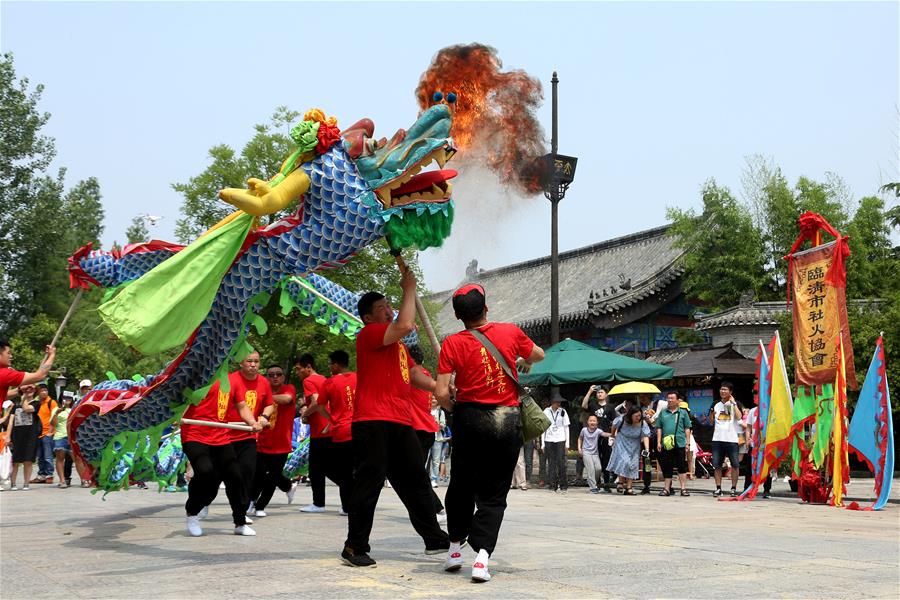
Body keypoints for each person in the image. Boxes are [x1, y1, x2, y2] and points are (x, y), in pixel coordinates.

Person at [341, 266, 449, 568]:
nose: (389, 311)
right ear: (368, 317)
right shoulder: (369, 335)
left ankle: (434, 538)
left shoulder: (398, 348)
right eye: (382, 308)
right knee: (369, 483)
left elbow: (414, 373)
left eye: (389, 306)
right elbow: (405, 324)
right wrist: (409, 288)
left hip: (401, 422)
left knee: (414, 480)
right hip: (373, 421)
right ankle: (354, 546)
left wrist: (440, 388)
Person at [435, 282, 544, 583]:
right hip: (506, 419)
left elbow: (442, 392)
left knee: (460, 484)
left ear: (459, 317)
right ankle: (482, 559)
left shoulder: (452, 343)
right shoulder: (510, 332)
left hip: (470, 418)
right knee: (495, 492)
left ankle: (454, 549)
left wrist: (454, 406)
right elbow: (539, 355)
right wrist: (522, 360)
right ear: (486, 308)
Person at [180, 373, 265, 537]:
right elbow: (177, 401)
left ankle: (240, 522)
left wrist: (253, 422)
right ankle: (192, 512)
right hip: (194, 435)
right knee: (205, 471)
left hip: (220, 437)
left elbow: (242, 406)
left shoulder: (231, 381)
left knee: (235, 476)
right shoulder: (193, 376)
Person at [249, 364, 298, 517]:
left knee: (273, 477)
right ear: (266, 377)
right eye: (271, 375)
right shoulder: (262, 391)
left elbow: (286, 399)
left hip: (281, 443)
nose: (275, 377)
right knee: (258, 474)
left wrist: (265, 398)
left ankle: (260, 507)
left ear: (283, 377)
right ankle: (251, 500)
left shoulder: (289, 388)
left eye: (278, 374)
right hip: (262, 441)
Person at [407, 345, 448, 523]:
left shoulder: (412, 375)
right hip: (425, 428)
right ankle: (430, 508)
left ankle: (437, 509)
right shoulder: (426, 374)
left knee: (416, 474)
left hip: (418, 428)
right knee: (415, 472)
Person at [295, 353, 340, 514]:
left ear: (308, 367)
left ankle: (319, 503)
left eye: (299, 369)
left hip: (321, 432)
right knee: (326, 467)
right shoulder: (325, 379)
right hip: (329, 428)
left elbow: (315, 401)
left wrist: (305, 414)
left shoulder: (309, 381)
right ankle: (325, 501)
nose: (297, 372)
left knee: (318, 469)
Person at [320, 349, 356, 514]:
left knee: (344, 471)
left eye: (330, 364)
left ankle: (347, 507)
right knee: (358, 470)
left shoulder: (330, 382)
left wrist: (331, 418)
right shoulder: (359, 378)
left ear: (335, 364)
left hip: (341, 431)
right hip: (360, 430)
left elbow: (320, 406)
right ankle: (359, 503)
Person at [606, 406, 651, 495]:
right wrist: (612, 436)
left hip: (635, 444)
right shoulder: (622, 419)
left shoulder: (643, 423)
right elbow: (614, 426)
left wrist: (647, 449)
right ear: (630, 415)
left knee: (633, 465)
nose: (638, 418)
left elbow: (646, 436)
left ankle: (629, 487)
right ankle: (620, 482)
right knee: (624, 461)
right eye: (636, 416)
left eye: (639, 415)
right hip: (622, 441)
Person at [655, 392, 692, 496]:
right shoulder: (663, 412)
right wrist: (658, 442)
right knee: (667, 466)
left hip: (680, 443)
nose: (670, 400)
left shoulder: (683, 412)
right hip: (666, 443)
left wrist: (688, 443)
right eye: (668, 398)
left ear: (677, 400)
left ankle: (683, 488)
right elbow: (659, 428)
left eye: (672, 398)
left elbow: (687, 428)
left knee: (681, 466)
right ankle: (666, 489)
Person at [710, 381, 743, 497]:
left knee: (735, 464)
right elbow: (711, 420)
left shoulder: (735, 403)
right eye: (721, 389)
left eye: (725, 389)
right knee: (717, 465)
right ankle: (718, 488)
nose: (722, 391)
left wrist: (733, 404)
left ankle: (733, 488)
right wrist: (711, 416)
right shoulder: (715, 404)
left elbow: (739, 418)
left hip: (732, 439)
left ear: (730, 392)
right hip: (717, 439)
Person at [582, 384, 616, 492]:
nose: (599, 394)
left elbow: (614, 422)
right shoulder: (593, 405)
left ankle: (606, 484)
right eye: (598, 392)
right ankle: (595, 483)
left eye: (601, 392)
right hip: (593, 437)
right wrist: (589, 391)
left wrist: (613, 435)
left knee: (606, 459)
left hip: (605, 436)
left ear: (606, 394)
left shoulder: (610, 407)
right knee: (595, 460)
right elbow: (584, 405)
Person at [8, 384, 40, 490]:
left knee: (28, 460)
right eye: (27, 389)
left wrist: (24, 398)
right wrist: (8, 436)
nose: (29, 390)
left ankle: (26, 483)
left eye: (32, 389)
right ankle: (13, 483)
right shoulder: (15, 406)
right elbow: (11, 422)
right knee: (15, 461)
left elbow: (26, 409)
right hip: (16, 436)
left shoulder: (36, 403)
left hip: (30, 436)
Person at [541, 396, 570, 494]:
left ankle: (563, 485)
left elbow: (566, 428)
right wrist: (542, 444)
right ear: (552, 402)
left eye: (560, 402)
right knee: (551, 463)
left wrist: (567, 444)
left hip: (560, 439)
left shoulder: (563, 412)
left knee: (561, 463)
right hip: (549, 439)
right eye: (557, 402)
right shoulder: (546, 411)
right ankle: (552, 485)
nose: (559, 404)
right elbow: (543, 428)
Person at [31, 383, 58, 483]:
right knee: (40, 456)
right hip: (38, 433)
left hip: (48, 433)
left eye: (45, 390)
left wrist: (51, 432)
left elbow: (55, 418)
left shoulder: (52, 402)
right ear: (38, 392)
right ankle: (41, 475)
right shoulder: (36, 402)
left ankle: (49, 475)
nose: (44, 392)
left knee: (48, 456)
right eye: (41, 390)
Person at [744, 403, 773, 498]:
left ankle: (767, 490)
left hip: (766, 444)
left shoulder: (770, 410)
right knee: (749, 468)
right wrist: (747, 439)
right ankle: (747, 489)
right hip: (754, 444)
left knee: (766, 467)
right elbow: (748, 427)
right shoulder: (752, 411)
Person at [51, 395, 74, 488]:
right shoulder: (56, 409)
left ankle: (84, 480)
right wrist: (56, 413)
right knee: (60, 459)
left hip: (72, 436)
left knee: (77, 459)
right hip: (60, 436)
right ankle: (62, 480)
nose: (67, 399)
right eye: (65, 397)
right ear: (61, 399)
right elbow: (53, 424)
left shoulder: (74, 408)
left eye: (69, 398)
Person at [578, 415, 606, 493]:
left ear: (597, 422)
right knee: (591, 469)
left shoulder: (598, 431)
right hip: (586, 452)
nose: (592, 422)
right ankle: (593, 487)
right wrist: (579, 449)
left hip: (595, 453)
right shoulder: (584, 430)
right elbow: (580, 438)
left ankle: (594, 483)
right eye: (591, 421)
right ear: (588, 422)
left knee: (598, 469)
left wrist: (614, 434)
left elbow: (605, 434)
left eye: (594, 421)